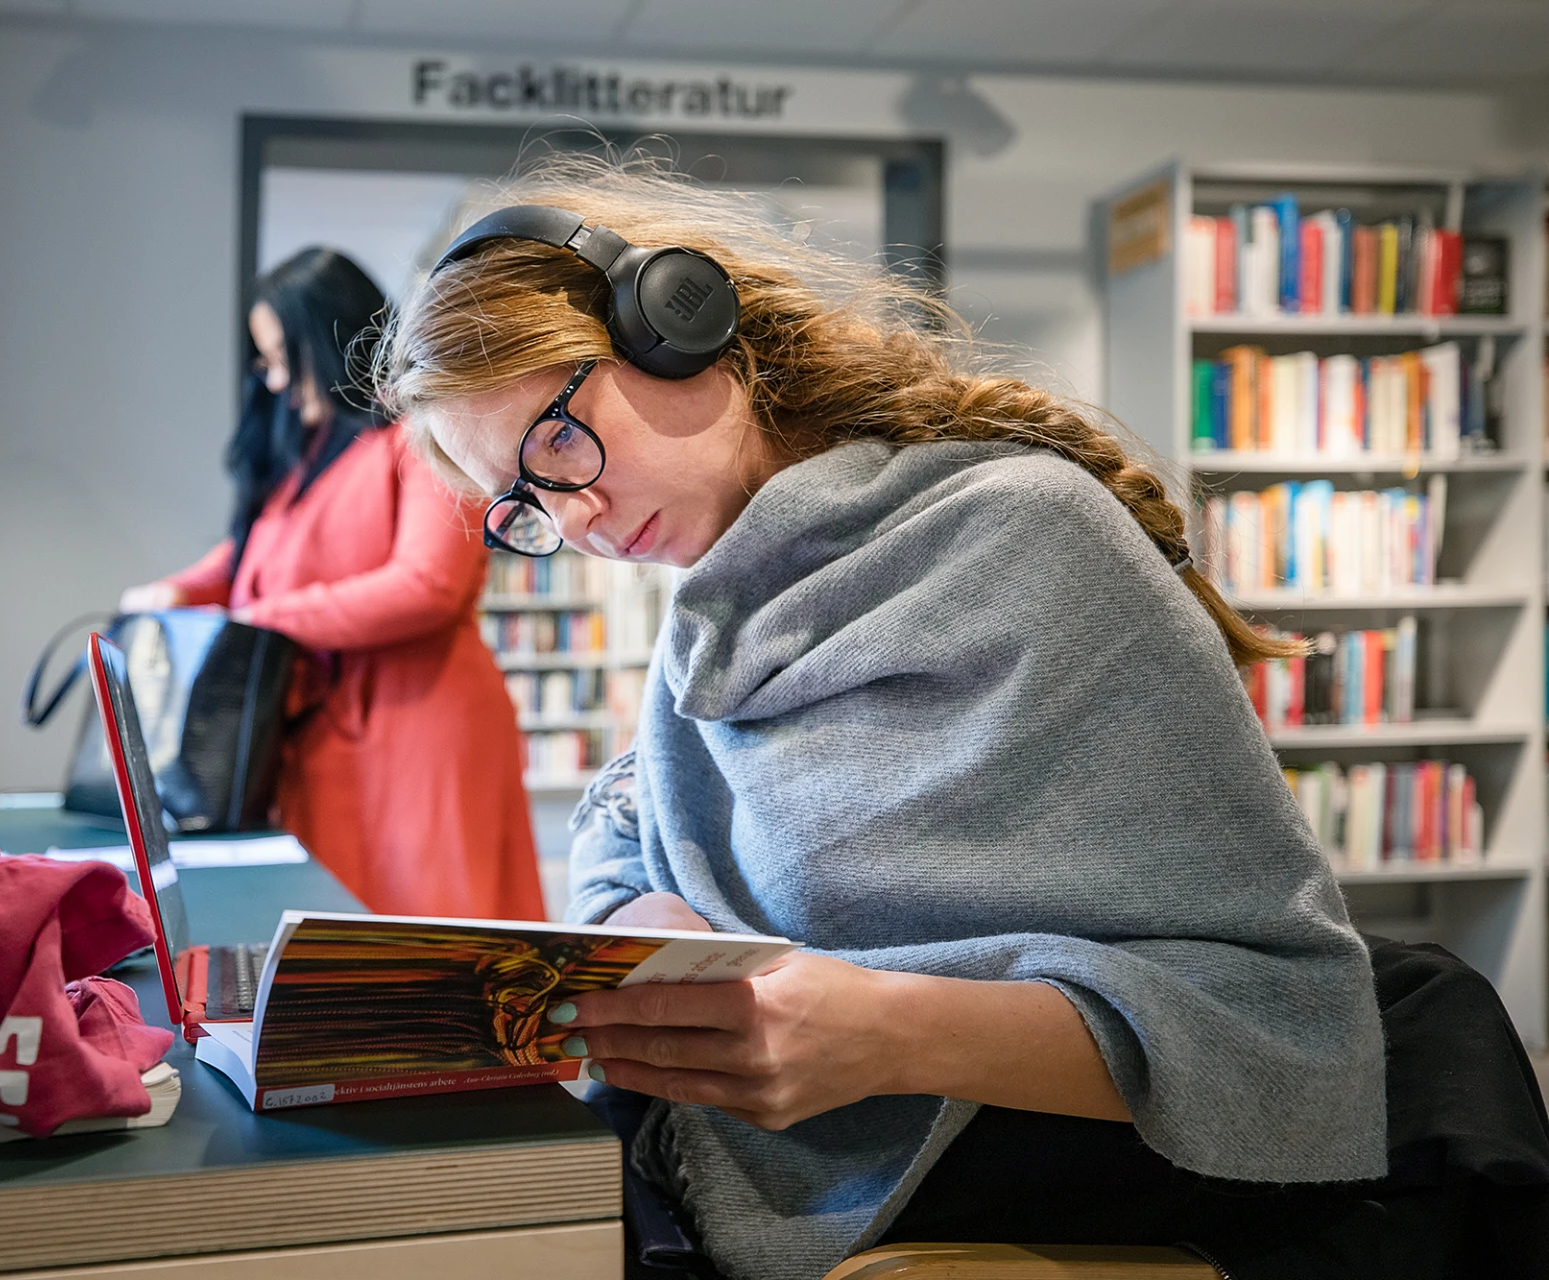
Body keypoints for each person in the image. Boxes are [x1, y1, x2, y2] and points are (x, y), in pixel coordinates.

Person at [373, 160, 1547, 1280]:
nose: (574, 514)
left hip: (1027, 1162)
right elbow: (628, 809)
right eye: (523, 500)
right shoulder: (721, 601)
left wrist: (888, 1032)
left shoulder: (1033, 539)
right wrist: (646, 921)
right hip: (739, 1138)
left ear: (675, 320)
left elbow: (1273, 1016)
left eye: (558, 439)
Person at [121, 247, 543, 921]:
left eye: (284, 356)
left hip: (419, 729)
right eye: (266, 361)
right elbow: (251, 556)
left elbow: (428, 584)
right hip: (324, 738)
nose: (276, 381)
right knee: (339, 926)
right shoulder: (309, 455)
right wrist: (178, 592)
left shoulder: (424, 436)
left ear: (329, 338)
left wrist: (260, 618)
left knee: (430, 926)